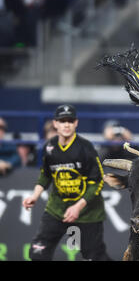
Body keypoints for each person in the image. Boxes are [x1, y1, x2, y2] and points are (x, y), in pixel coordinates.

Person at [22, 104, 111, 261]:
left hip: (87, 213)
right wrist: (34, 195)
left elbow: (97, 182)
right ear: (55, 124)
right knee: (37, 252)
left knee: (95, 257)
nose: (66, 125)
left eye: (70, 121)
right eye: (62, 121)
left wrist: (77, 207)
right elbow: (46, 174)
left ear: (76, 123)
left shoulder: (86, 148)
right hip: (57, 209)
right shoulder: (50, 146)